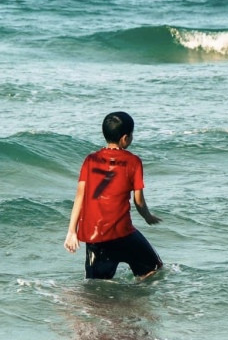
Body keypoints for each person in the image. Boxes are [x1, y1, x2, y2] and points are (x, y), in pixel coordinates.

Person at [64, 111, 163, 280]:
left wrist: (71, 231)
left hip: (94, 237)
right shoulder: (133, 161)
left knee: (96, 288)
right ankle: (136, 302)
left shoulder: (90, 160)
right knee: (153, 269)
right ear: (125, 138)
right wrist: (148, 217)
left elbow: (80, 196)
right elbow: (139, 201)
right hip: (121, 232)